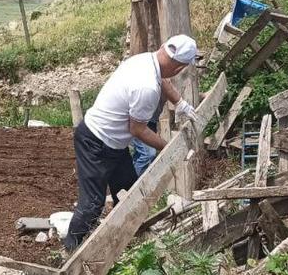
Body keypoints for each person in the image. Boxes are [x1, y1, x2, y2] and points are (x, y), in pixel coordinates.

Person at [64, 35, 205, 251]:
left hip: (114, 145)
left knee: (129, 195)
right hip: (95, 142)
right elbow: (138, 130)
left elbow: (162, 79)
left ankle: (124, 245)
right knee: (93, 204)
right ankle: (71, 251)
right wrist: (172, 148)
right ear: (179, 68)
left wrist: (181, 103)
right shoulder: (146, 87)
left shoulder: (145, 61)